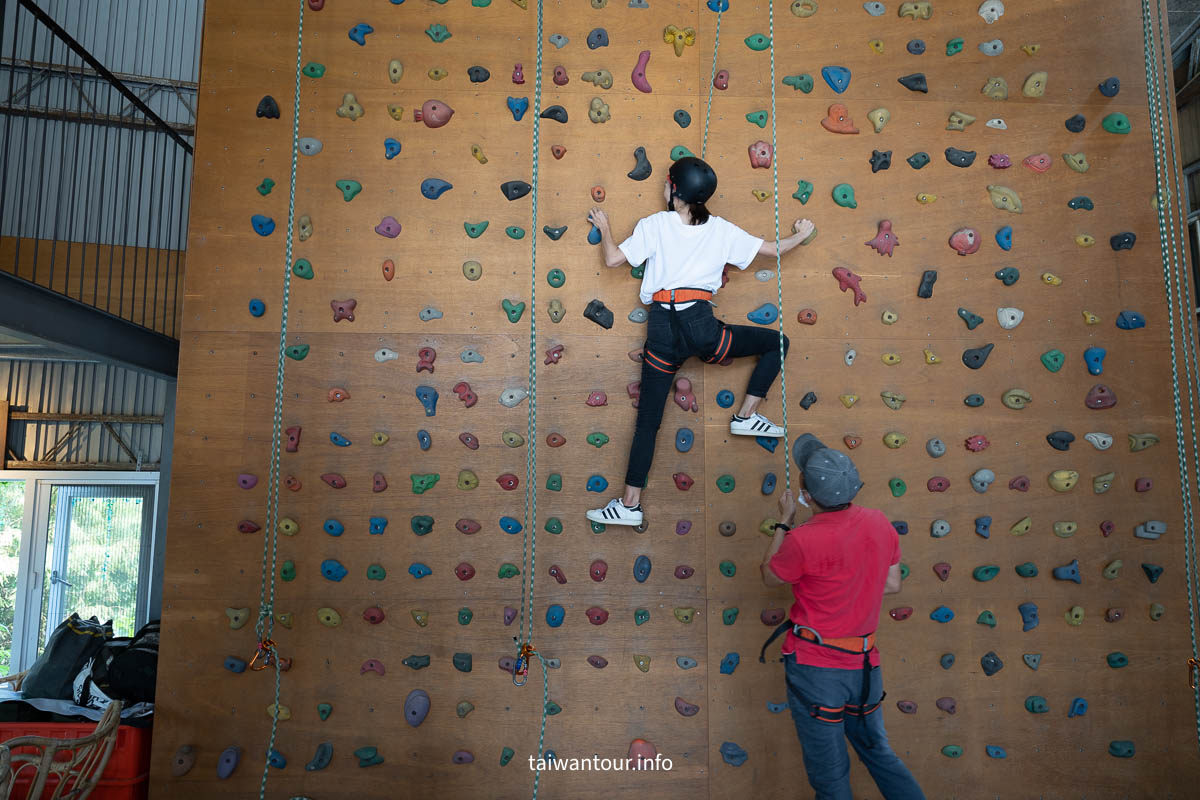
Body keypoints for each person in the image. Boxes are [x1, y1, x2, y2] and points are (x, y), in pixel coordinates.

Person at [585, 156, 815, 527]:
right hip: (701, 327)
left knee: (648, 422)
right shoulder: (721, 229)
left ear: (676, 190)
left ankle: (630, 505)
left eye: (666, 183)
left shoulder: (655, 224)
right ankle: (746, 415)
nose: (663, 188)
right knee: (777, 342)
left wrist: (606, 226)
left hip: (662, 329)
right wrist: (801, 234)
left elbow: (613, 260)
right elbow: (772, 250)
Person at [759, 434, 924, 800]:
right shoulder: (880, 523)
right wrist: (850, 581)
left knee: (830, 776)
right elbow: (892, 583)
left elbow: (770, 575)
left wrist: (784, 523)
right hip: (864, 666)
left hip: (817, 668)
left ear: (808, 496)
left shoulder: (803, 539)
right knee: (879, 753)